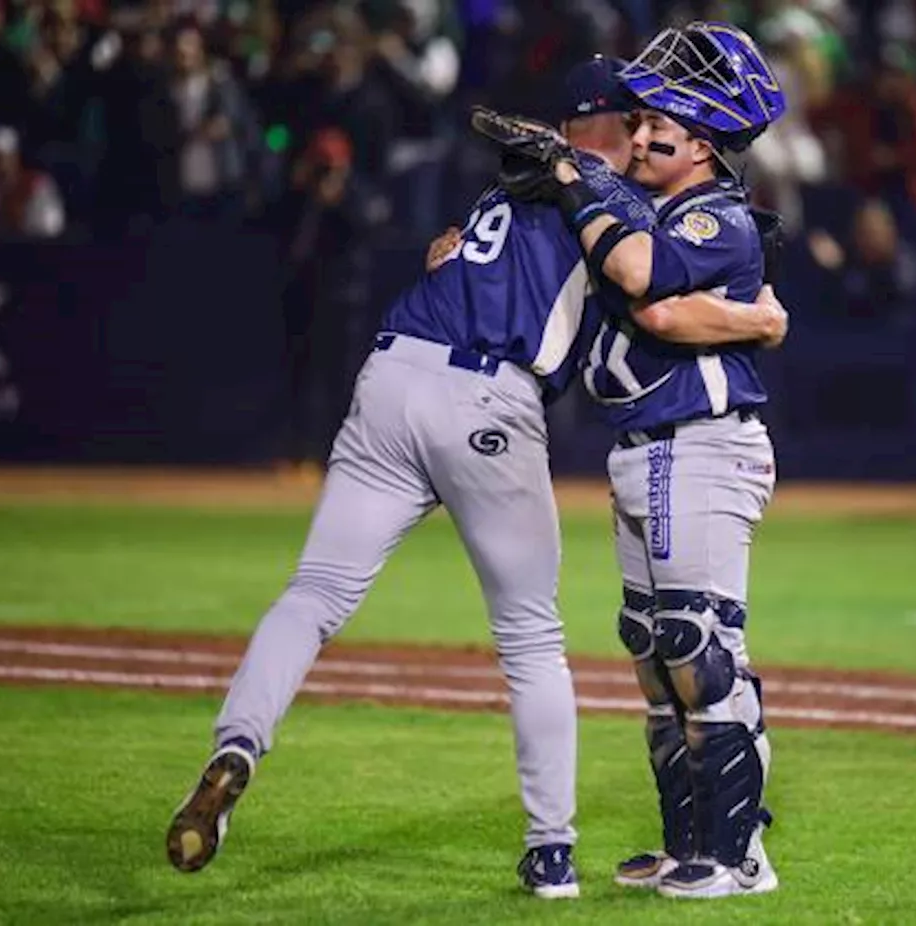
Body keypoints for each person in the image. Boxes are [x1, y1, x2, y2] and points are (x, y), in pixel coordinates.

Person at [164, 55, 787, 900]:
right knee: (535, 640)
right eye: (634, 120)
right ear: (604, 129)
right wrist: (759, 315)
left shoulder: (514, 189)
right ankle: (552, 852)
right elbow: (653, 294)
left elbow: (463, 257)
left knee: (313, 592)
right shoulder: (612, 201)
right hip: (489, 400)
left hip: (389, 372)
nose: (647, 132)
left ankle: (237, 744)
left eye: (656, 123)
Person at [495, 22, 788, 900]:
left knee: (700, 649)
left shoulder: (712, 213)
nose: (640, 133)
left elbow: (649, 286)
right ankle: (687, 844)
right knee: (659, 657)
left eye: (660, 126)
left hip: (698, 442)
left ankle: (738, 858)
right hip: (648, 448)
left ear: (702, 145)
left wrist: (576, 177)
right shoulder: (654, 203)